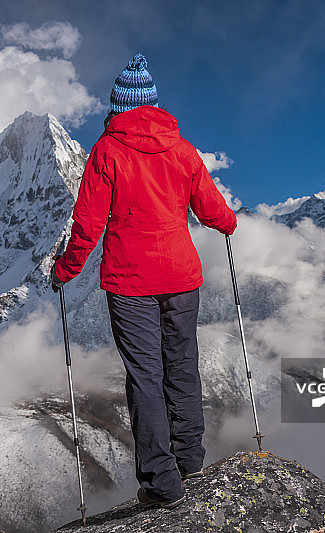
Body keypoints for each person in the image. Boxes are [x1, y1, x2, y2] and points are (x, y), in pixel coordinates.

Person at [52, 53, 237, 509]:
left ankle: (162, 483)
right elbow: (212, 208)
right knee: (182, 364)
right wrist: (229, 224)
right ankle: (191, 459)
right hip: (181, 276)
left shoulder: (106, 152)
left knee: (145, 378)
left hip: (130, 282)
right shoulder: (183, 150)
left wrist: (64, 270)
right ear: (153, 106)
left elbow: (87, 225)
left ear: (118, 107)